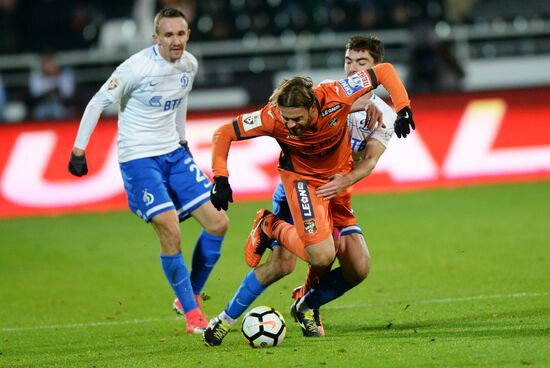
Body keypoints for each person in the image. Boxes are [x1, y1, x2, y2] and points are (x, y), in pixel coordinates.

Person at [203, 36, 415, 345]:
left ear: (313, 107)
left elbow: (384, 78)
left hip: (337, 187)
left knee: (359, 266)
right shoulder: (281, 113)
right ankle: (230, 309)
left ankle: (305, 304)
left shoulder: (343, 99)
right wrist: (220, 177)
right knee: (305, 258)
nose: (290, 126)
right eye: (349, 61)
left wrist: (403, 108)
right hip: (302, 184)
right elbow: (224, 132)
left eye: (361, 64)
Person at [67, 8, 228, 334]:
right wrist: (78, 150)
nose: (175, 41)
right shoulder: (134, 68)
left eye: (181, 34)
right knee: (171, 230)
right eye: (168, 35)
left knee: (219, 223)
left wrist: (182, 140)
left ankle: (189, 295)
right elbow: (98, 101)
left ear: (188, 35)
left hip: (173, 153)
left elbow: (180, 100)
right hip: (139, 158)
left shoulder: (189, 64)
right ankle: (193, 315)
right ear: (155, 38)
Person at [29, 53, 76, 120]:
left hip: (62, 110)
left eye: (51, 63)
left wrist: (56, 92)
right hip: (41, 111)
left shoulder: (65, 75)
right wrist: (48, 94)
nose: (49, 66)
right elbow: (34, 96)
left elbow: (69, 97)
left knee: (65, 111)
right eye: (46, 63)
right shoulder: (36, 75)